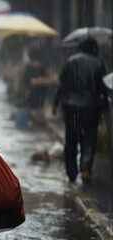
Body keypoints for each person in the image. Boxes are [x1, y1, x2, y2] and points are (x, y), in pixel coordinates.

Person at [52, 37, 109, 183]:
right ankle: (86, 163)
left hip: (71, 107)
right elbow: (104, 88)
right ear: (94, 49)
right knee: (89, 137)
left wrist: (56, 103)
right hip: (91, 107)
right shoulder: (98, 64)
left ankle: (71, 172)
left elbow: (61, 85)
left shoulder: (69, 61)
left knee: (71, 139)